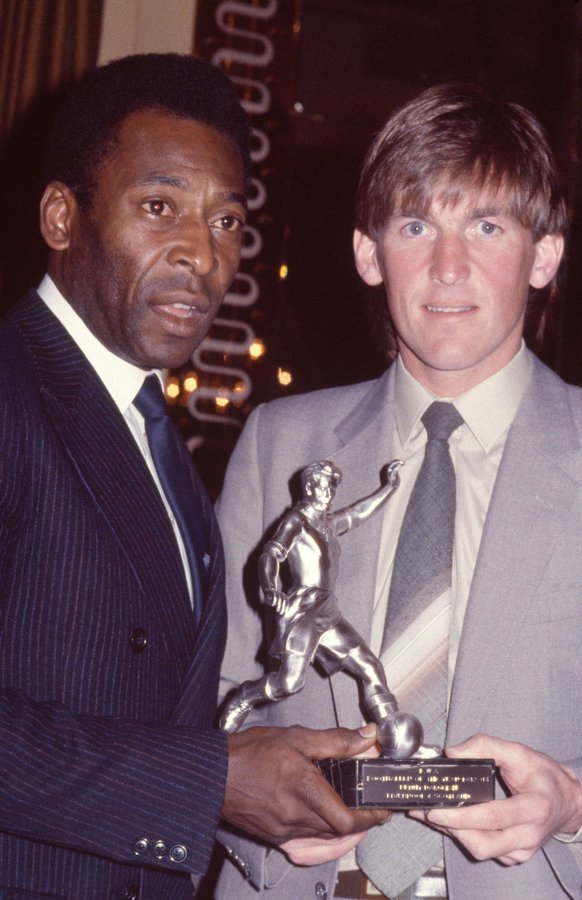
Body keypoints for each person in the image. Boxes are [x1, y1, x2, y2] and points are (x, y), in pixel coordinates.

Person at [0, 54, 388, 899]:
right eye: (159, 207)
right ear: (63, 218)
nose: (201, 257)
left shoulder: (154, 432)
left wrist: (268, 769)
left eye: (225, 223)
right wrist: (207, 780)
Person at [215, 83, 582, 899]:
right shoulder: (279, 444)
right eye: (416, 226)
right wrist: (240, 801)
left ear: (545, 255)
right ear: (369, 253)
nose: (448, 266)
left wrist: (574, 810)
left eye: (486, 226)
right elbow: (200, 698)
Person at [221, 459, 423, 756]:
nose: (329, 491)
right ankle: (243, 697)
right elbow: (271, 554)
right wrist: (271, 587)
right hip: (304, 609)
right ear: (310, 486)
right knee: (288, 684)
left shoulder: (327, 522)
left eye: (331, 486)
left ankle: (393, 736)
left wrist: (389, 488)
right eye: (324, 485)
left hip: (327, 610)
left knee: (370, 667)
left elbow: (357, 513)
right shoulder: (297, 520)